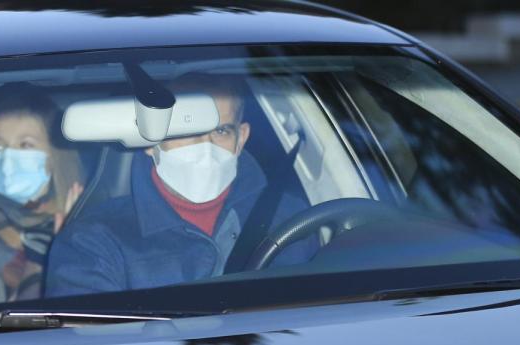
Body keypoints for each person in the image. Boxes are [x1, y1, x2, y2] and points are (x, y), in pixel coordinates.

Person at [46, 75, 317, 297]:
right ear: (150, 141)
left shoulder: (292, 219)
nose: (205, 148)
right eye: (187, 129)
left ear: (241, 138)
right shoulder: (92, 241)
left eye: (221, 131)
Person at [0, 93, 84, 303]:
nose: (8, 160)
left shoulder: (88, 227)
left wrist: (66, 246)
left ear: (55, 156)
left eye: (26, 145)